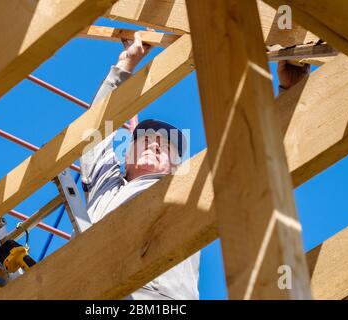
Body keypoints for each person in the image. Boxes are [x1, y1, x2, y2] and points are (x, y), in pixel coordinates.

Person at [80, 31, 310, 300]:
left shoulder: (185, 192)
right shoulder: (107, 191)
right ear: (125, 156)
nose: (155, 144)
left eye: (165, 146)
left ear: (176, 168)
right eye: (145, 140)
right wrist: (124, 66)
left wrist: (290, 94)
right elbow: (93, 136)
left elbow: (254, 162)